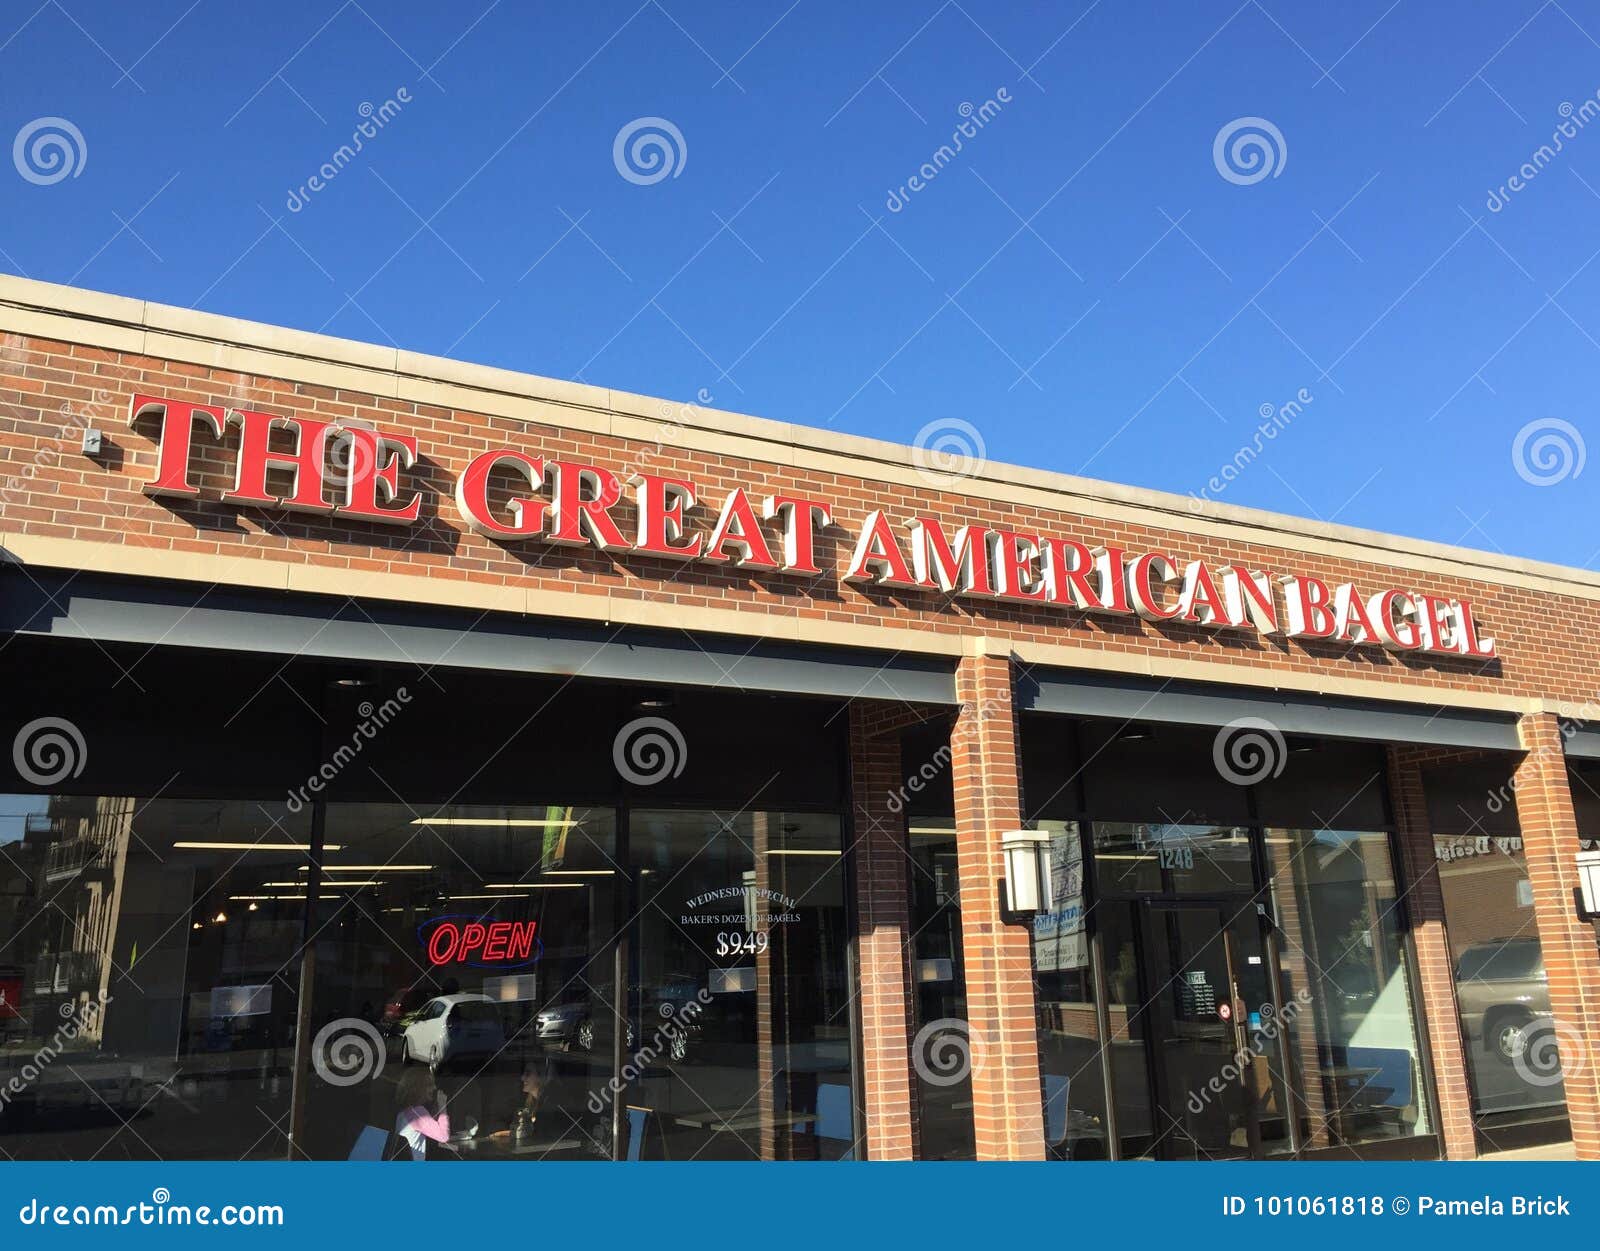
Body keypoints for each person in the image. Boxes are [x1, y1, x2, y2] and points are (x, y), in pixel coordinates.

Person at [393, 1067, 452, 1160]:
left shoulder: (405, 1112)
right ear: (418, 1087)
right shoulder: (418, 1113)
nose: (434, 1087)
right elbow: (444, 1137)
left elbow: (431, 1126)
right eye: (429, 1084)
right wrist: (442, 1105)